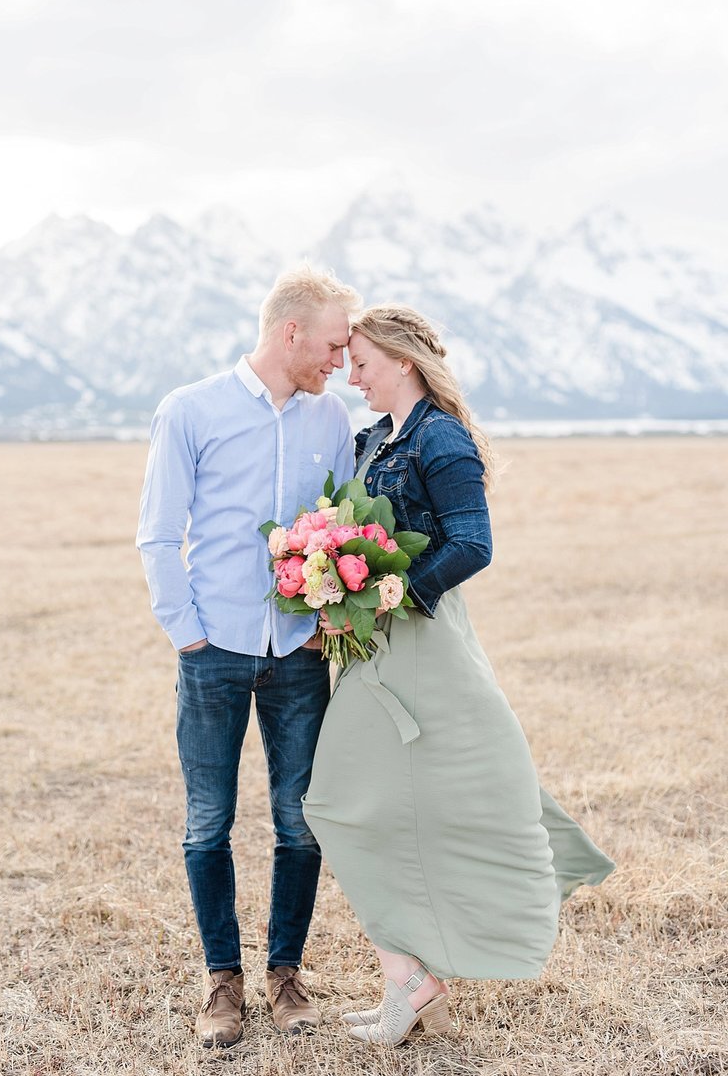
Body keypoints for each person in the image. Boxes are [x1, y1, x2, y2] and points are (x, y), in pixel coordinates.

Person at [302, 304, 615, 1046]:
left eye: (364, 363)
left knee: (358, 800)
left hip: (424, 643)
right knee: (356, 802)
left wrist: (391, 593)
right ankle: (406, 982)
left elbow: (473, 544)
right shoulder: (375, 438)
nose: (353, 375)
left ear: (403, 361)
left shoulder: (441, 438)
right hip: (376, 647)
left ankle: (411, 981)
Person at [136, 265, 362, 1048]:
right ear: (289, 331)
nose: (339, 361)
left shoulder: (329, 418)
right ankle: (222, 981)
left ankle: (286, 972)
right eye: (332, 345)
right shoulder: (189, 409)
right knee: (209, 821)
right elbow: (159, 532)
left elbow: (337, 521)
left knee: (301, 822)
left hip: (300, 650)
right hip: (214, 652)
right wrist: (187, 632)